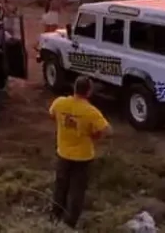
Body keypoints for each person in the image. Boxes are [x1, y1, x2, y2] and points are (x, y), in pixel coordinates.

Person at [49, 76, 112, 229]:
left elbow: (52, 114)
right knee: (77, 191)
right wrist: (94, 135)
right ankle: (70, 224)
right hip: (82, 157)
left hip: (63, 153)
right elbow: (107, 130)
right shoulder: (90, 111)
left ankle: (55, 216)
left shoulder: (60, 102)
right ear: (89, 92)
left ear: (75, 88)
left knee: (60, 186)